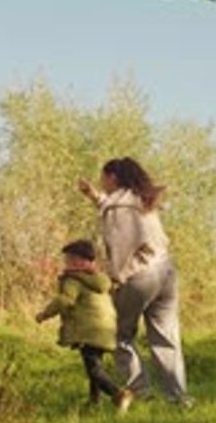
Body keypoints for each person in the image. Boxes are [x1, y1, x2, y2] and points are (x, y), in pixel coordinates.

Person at [79, 157, 193, 408]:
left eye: (103, 177)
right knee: (166, 338)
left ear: (114, 178)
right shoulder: (141, 199)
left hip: (140, 275)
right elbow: (111, 206)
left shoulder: (117, 208)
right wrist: (93, 196)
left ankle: (142, 392)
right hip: (166, 271)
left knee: (117, 335)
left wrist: (115, 280)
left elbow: (122, 245)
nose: (101, 182)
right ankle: (179, 399)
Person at [35, 239, 133, 413]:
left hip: (88, 331)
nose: (66, 263)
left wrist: (44, 314)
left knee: (94, 370)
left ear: (78, 260)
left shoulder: (73, 280)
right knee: (96, 367)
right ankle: (94, 402)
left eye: (68, 259)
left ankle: (118, 394)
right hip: (106, 330)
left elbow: (64, 300)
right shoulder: (100, 280)